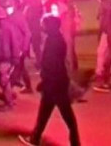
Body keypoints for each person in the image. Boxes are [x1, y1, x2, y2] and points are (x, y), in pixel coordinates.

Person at [18, 15, 80, 146]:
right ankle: (35, 138)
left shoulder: (53, 42)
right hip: (55, 84)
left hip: (54, 85)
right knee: (45, 113)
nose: (42, 27)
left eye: (44, 25)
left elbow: (52, 65)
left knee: (66, 115)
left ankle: (74, 142)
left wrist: (45, 81)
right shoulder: (56, 39)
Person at [0, 7, 18, 110]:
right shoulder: (6, 27)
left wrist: (15, 57)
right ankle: (9, 96)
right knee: (1, 78)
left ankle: (9, 102)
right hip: (3, 57)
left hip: (5, 58)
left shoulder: (1, 28)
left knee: (3, 80)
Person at [10, 3, 33, 94]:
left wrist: (24, 48)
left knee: (16, 67)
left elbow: (28, 33)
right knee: (21, 67)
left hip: (19, 47)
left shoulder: (18, 17)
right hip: (17, 46)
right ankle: (28, 86)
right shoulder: (13, 15)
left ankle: (9, 90)